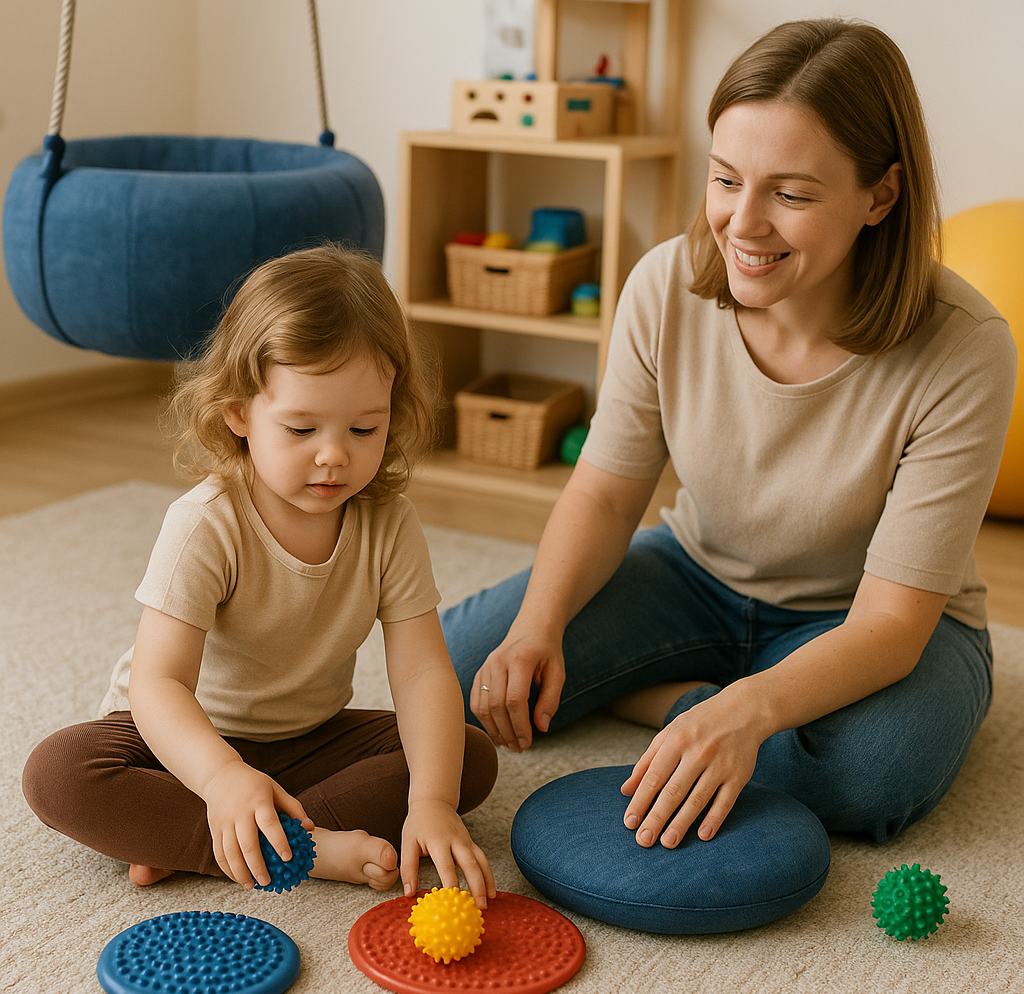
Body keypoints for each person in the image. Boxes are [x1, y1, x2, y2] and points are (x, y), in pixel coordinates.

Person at [441, 18, 1016, 853]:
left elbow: (892, 623)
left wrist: (750, 709)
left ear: (881, 196)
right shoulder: (663, 286)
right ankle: (711, 708)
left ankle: (693, 706)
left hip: (866, 619)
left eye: (791, 195)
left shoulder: (967, 346)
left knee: (871, 773)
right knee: (464, 674)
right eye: (725, 179)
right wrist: (538, 626)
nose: (742, 224)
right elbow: (605, 493)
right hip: (698, 575)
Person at [23, 244, 497, 906]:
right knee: (58, 772)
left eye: (365, 428)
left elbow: (421, 673)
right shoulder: (205, 524)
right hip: (186, 742)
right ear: (239, 412)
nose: (334, 456)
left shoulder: (390, 522)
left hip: (308, 739)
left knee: (466, 757)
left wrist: (433, 803)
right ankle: (289, 847)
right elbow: (160, 684)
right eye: (301, 428)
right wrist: (221, 778)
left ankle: (221, 835)